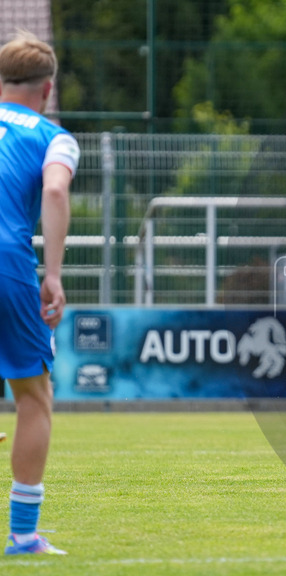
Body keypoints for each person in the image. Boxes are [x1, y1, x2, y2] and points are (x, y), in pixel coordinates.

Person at [0, 31, 80, 555]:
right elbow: (53, 189)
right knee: (33, 396)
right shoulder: (54, 135)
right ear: (47, 89)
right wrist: (52, 273)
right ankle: (23, 535)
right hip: (7, 264)